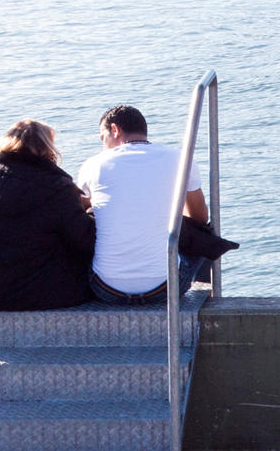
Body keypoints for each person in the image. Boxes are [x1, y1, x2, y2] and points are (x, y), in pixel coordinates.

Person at [0, 120, 95, 312]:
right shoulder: (60, 189)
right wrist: (92, 210)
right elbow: (86, 242)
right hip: (42, 292)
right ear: (48, 149)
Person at [77, 104, 211, 306]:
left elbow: (80, 212)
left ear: (115, 129)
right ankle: (207, 296)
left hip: (106, 289)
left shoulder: (93, 164)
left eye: (102, 138)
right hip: (166, 289)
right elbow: (200, 217)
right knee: (204, 238)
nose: (103, 145)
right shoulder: (180, 159)